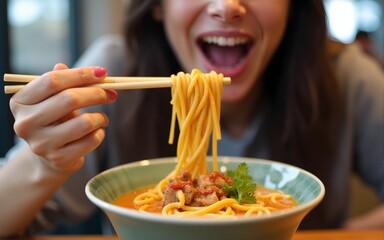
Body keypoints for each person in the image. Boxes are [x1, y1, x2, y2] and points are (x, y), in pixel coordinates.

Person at [1, 0, 383, 236]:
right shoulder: (112, 73)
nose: (227, 6)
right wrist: (43, 163)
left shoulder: (346, 77)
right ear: (157, 5)